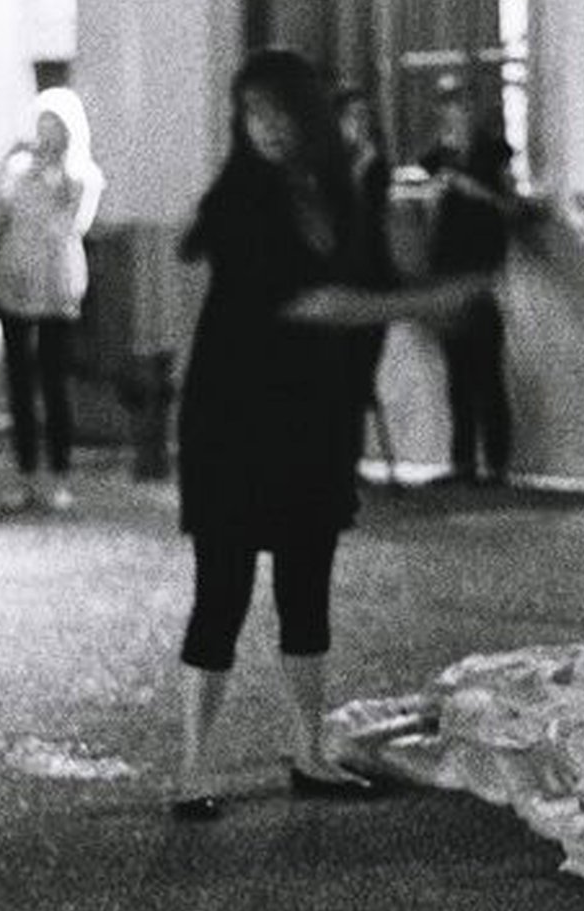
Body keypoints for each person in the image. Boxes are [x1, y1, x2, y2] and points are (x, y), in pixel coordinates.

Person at [168, 48, 494, 821]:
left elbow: (371, 276)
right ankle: (191, 768)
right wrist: (423, 303)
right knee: (224, 589)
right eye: (252, 114)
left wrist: (426, 283)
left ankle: (310, 751)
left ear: (308, 115)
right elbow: (307, 302)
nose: (267, 129)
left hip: (313, 411)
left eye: (279, 112)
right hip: (234, 414)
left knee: (306, 584)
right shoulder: (242, 199)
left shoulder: (341, 189)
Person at [0, 85, 104, 510]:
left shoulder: (81, 175)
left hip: (57, 284)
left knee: (54, 381)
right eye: (42, 125)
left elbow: (74, 224)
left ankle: (59, 474)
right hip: (14, 280)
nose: (47, 135)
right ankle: (26, 474)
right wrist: (6, 174)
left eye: (55, 126)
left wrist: (54, 183)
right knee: (19, 381)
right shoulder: (18, 168)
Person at [419, 76, 520, 485]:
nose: (453, 113)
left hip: (481, 268)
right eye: (447, 105)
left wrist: (470, 188)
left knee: (487, 368)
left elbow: (509, 207)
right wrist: (435, 198)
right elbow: (430, 215)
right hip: (448, 267)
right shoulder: (436, 156)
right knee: (457, 370)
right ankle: (462, 461)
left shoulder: (493, 154)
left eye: (460, 104)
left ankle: (496, 463)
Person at [334, 85, 402, 486]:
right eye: (352, 117)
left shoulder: (376, 165)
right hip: (341, 273)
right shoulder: (333, 163)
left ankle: (352, 456)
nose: (360, 125)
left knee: (361, 367)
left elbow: (370, 213)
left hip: (370, 275)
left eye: (364, 117)